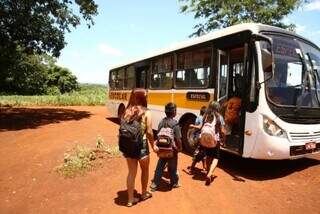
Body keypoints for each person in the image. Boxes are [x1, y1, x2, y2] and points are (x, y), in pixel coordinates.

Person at [121, 88, 155, 207]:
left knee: (131, 172)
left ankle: (130, 199)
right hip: (142, 145)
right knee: (144, 170)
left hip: (128, 145)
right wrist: (153, 145)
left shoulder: (126, 111)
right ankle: (144, 193)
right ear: (144, 98)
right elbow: (149, 132)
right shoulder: (147, 112)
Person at [150, 102, 182, 191]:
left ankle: (154, 184)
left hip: (161, 149)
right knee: (173, 167)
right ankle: (174, 183)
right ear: (174, 112)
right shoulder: (175, 124)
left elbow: (157, 135)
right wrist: (180, 148)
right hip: (171, 150)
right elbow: (178, 139)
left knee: (160, 165)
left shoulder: (161, 122)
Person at [200, 101, 225, 186]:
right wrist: (223, 140)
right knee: (216, 157)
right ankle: (210, 173)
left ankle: (207, 172)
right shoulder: (219, 117)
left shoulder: (205, 116)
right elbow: (222, 131)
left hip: (205, 139)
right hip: (215, 140)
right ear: (218, 108)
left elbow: (201, 127)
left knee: (208, 156)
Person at [187, 106, 207, 174]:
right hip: (203, 138)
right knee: (203, 153)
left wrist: (192, 126)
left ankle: (192, 169)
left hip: (198, 138)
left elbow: (198, 127)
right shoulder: (205, 119)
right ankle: (204, 168)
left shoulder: (198, 118)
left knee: (198, 153)